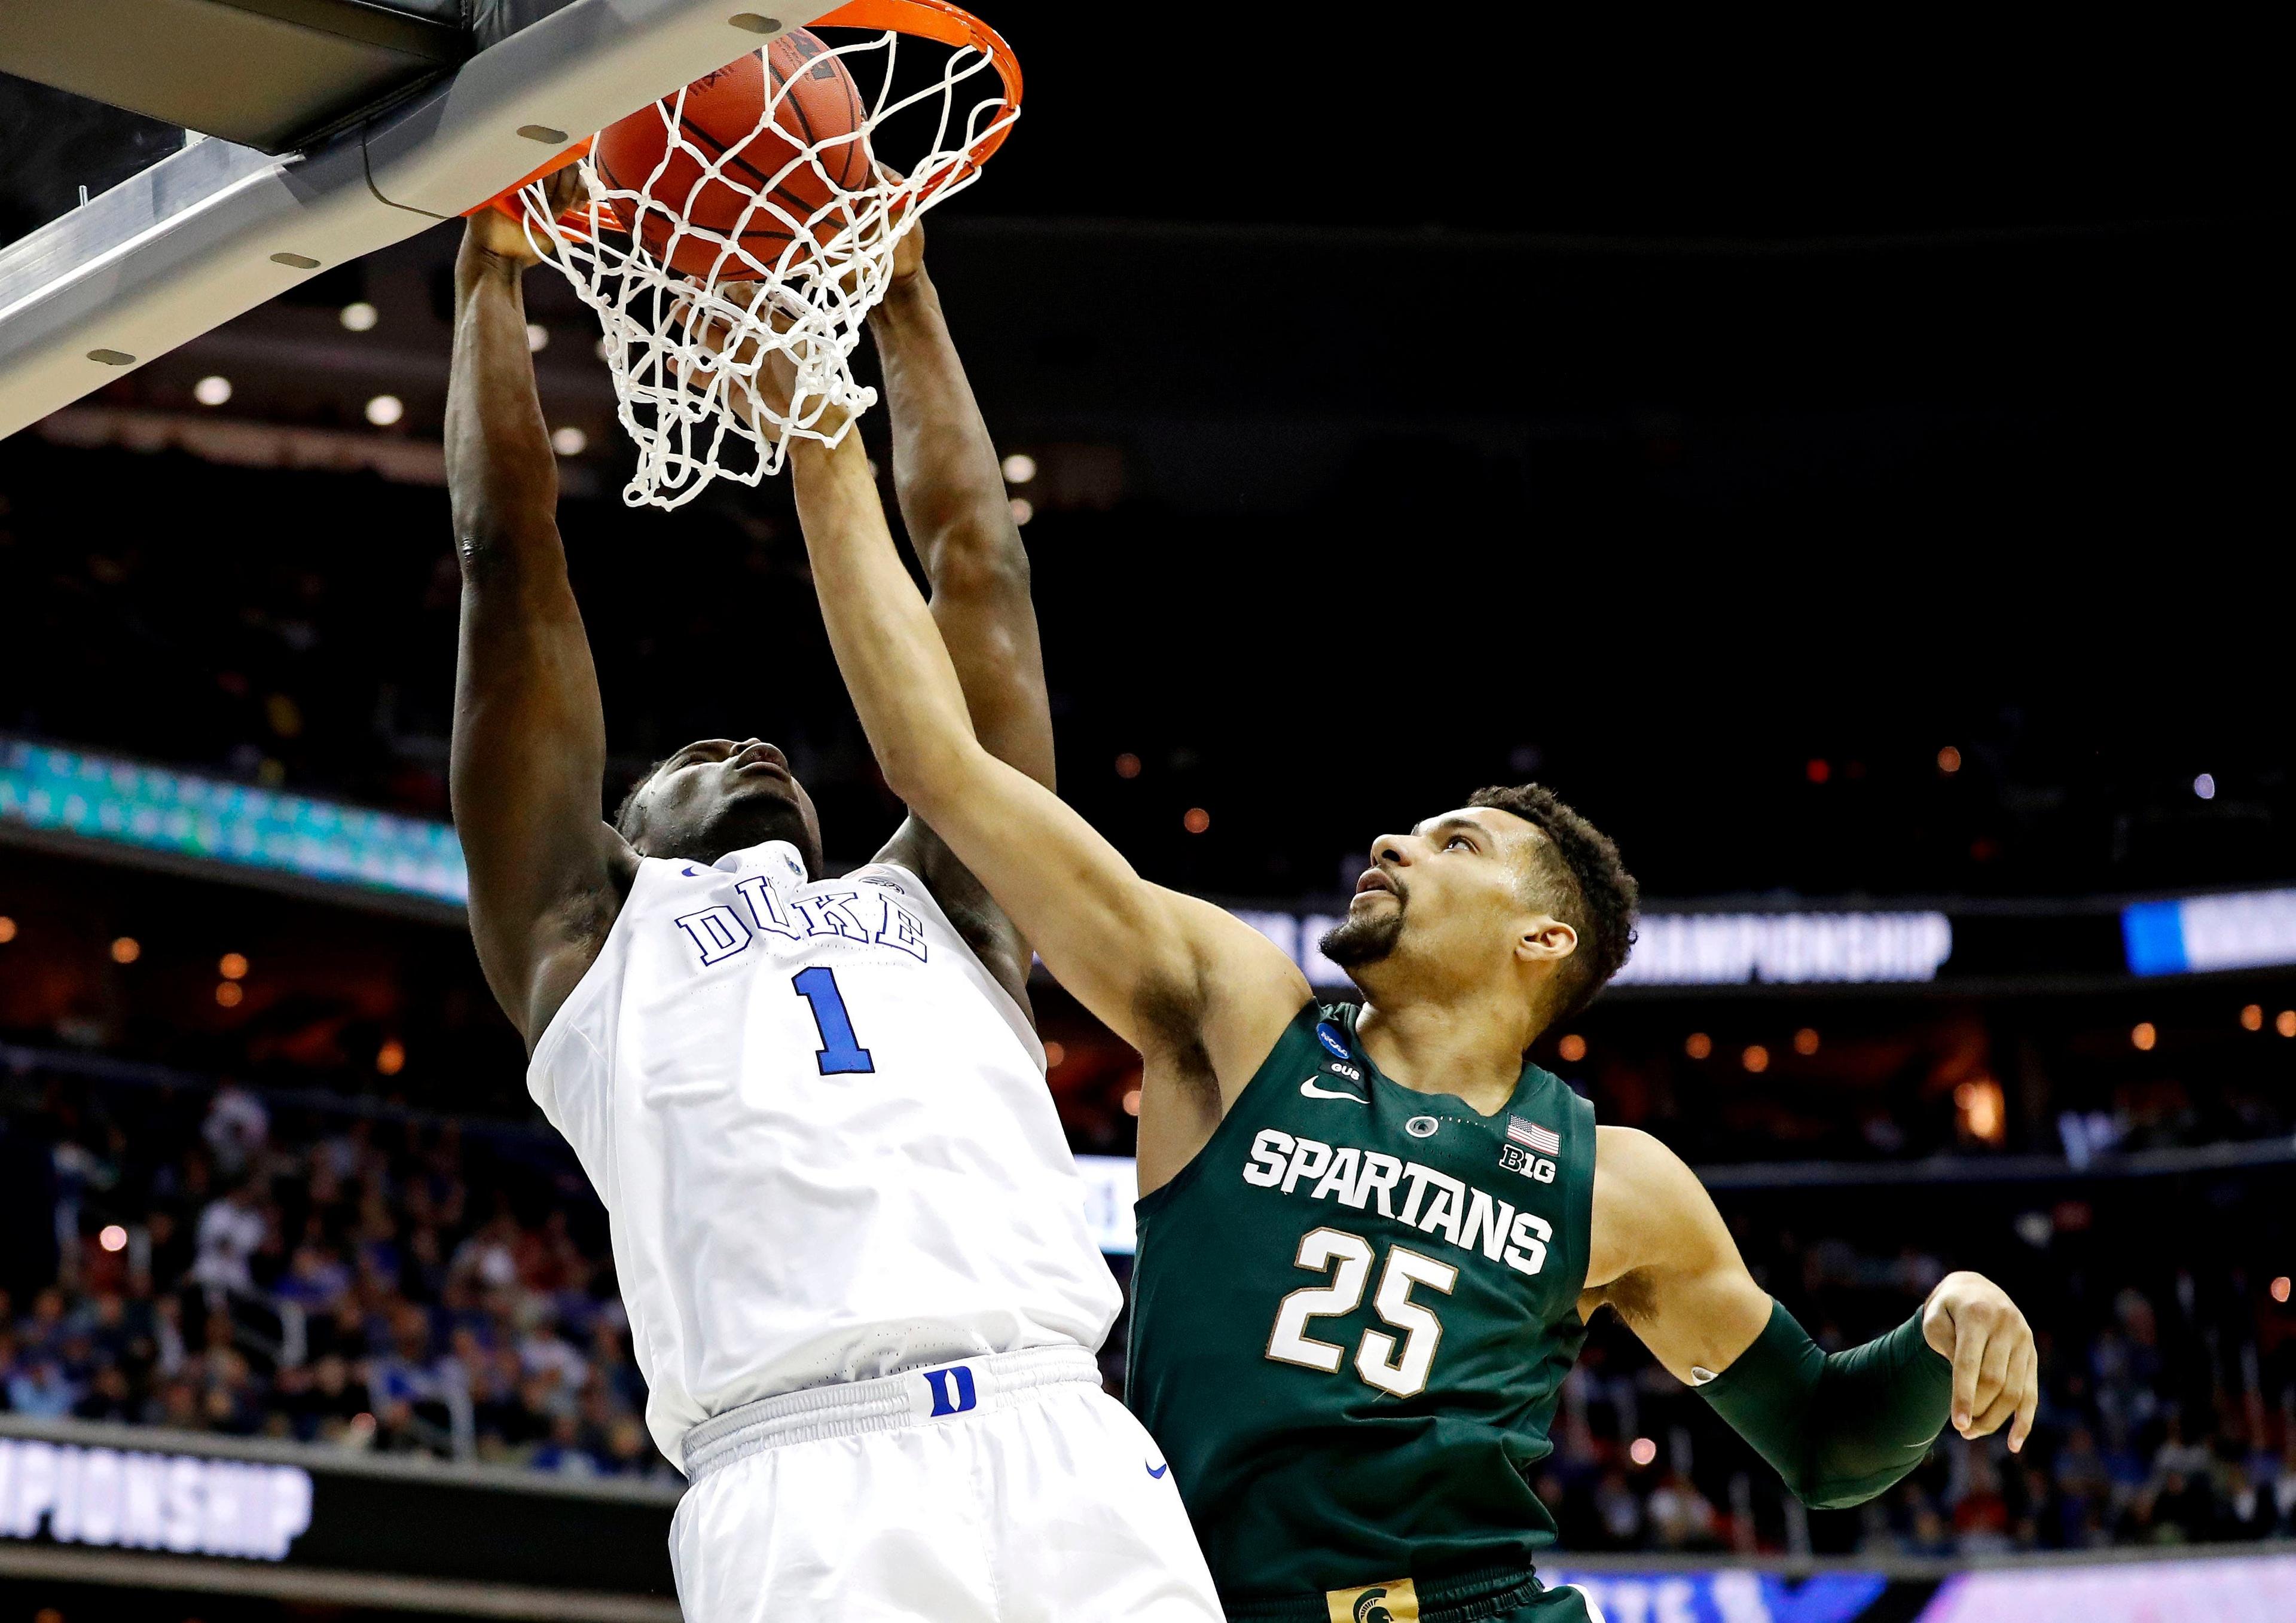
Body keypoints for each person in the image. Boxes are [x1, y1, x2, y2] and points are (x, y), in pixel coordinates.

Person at [782, 391, 2044, 1621]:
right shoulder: (1238, 1023)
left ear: (1542, 936)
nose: (1393, 839)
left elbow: (1827, 1441)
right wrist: (824, 418)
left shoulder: (1618, 1184)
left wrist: (1944, 1327)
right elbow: (937, 763)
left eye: (1455, 841)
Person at [443, 192, 1220, 1622]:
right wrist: (490, 281)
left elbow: (982, 569)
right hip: (798, 1473)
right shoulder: (587, 946)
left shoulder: (952, 899)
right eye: (687, 756)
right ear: (617, 843)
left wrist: (905, 295)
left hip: (1063, 1426)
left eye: (761, 746)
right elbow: (512, 565)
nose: (744, 746)